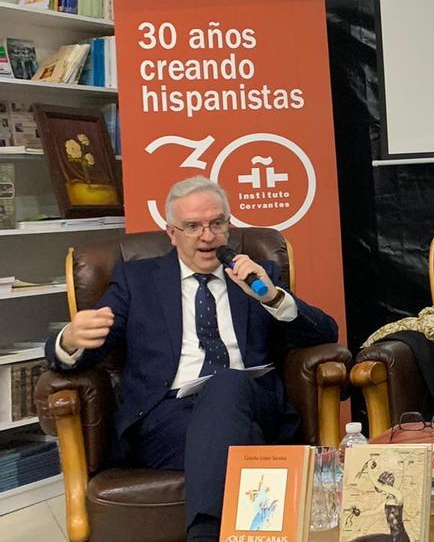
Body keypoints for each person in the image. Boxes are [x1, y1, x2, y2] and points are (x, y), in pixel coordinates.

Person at [45, 176, 339, 542]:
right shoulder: (136, 280)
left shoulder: (256, 274)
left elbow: (325, 333)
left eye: (217, 223)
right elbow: (86, 348)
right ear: (172, 233)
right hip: (166, 419)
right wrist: (68, 340)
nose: (208, 235)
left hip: (251, 403)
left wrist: (274, 298)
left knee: (229, 382)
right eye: (193, 226)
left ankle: (205, 535)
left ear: (228, 226)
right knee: (233, 434)